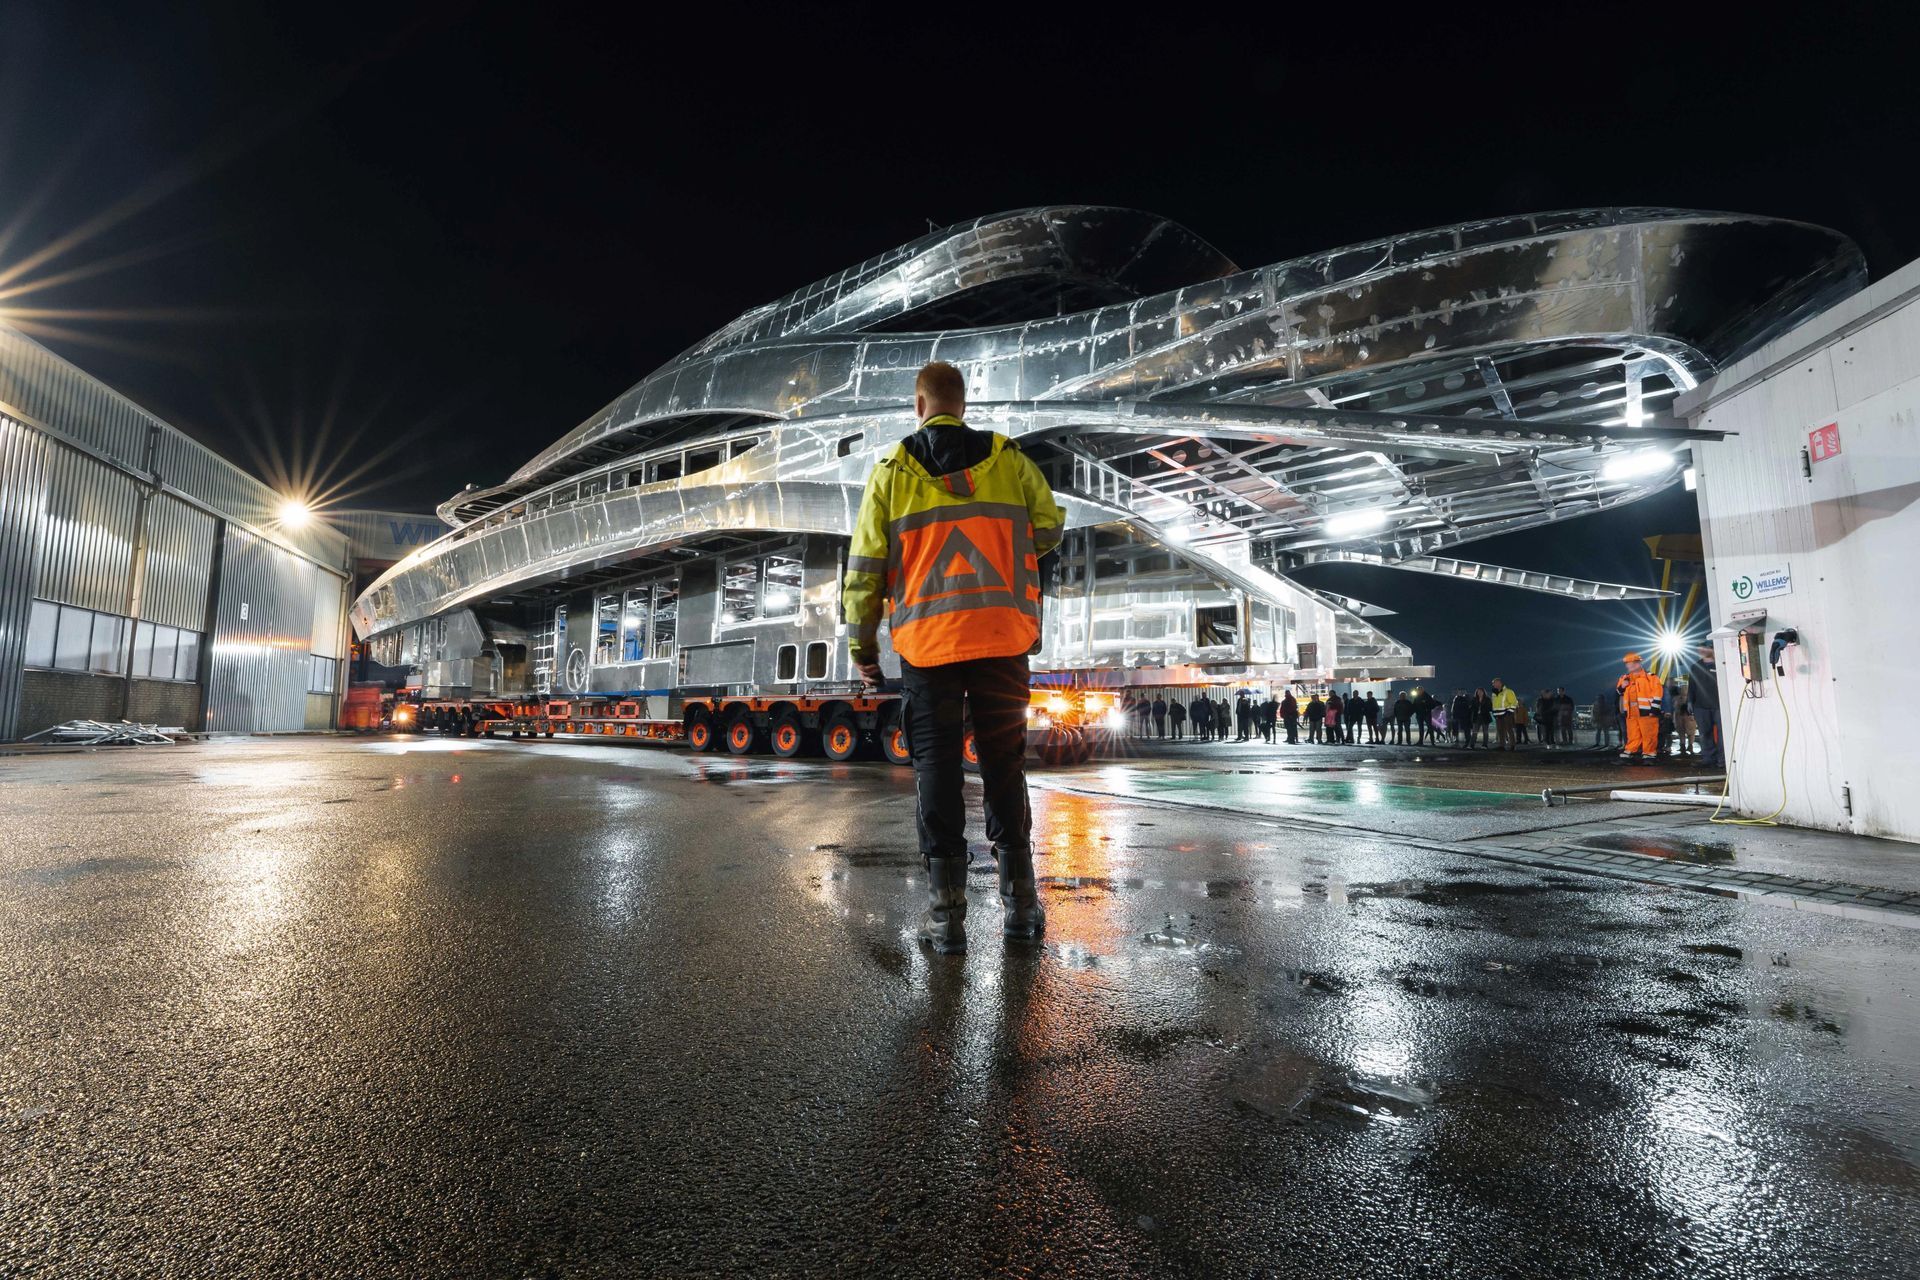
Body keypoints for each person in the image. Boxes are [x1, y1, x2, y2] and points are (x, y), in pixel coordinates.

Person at [845, 361, 1064, 954]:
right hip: (1002, 639)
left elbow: (865, 569)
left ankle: (947, 918)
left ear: (920, 406)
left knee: (937, 771)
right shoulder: (1009, 459)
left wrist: (863, 648)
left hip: (927, 647)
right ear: (962, 405)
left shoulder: (890, 472)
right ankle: (1021, 909)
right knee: (1003, 765)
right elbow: (1048, 528)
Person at [1616, 652, 1664, 762]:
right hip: (1631, 712)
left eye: (1633, 663)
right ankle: (1630, 751)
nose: (1630, 666)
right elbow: (1619, 692)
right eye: (1628, 664)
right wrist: (1623, 686)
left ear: (1639, 663)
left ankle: (1649, 754)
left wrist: (1654, 709)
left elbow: (1657, 693)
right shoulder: (1624, 678)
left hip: (1647, 711)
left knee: (1649, 733)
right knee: (1633, 733)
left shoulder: (1651, 677)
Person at [1490, 677, 1520, 749]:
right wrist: (1494, 712)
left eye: (1495, 683)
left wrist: (1509, 712)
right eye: (1493, 683)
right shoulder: (1494, 694)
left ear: (1500, 683)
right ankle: (1502, 745)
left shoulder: (1508, 691)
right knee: (1500, 731)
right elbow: (1494, 704)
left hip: (1506, 715)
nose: (1493, 685)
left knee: (1509, 730)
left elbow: (1514, 703)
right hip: (1498, 715)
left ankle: (1512, 745)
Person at [1675, 680, 1696, 757]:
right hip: (1690, 717)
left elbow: (1675, 707)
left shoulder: (1677, 698)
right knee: (1691, 733)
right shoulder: (1692, 697)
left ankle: (1683, 746)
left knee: (1682, 732)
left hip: (1681, 717)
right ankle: (1690, 746)